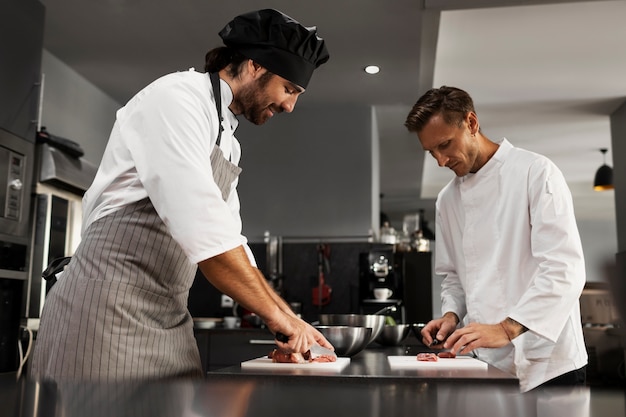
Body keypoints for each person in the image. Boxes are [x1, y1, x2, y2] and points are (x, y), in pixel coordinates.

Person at [30, 8, 332, 381]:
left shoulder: (228, 143)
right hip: (105, 312)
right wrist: (275, 316)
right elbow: (203, 229)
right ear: (255, 66)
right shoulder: (177, 99)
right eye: (289, 89)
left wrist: (289, 318)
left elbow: (230, 238)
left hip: (168, 317)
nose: (289, 105)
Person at [405, 86, 587, 392]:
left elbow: (564, 270)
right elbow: (453, 276)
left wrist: (506, 328)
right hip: (485, 362)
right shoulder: (447, 200)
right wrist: (451, 314)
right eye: (431, 151)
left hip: (549, 363)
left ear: (472, 123)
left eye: (445, 145)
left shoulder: (535, 172)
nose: (440, 160)